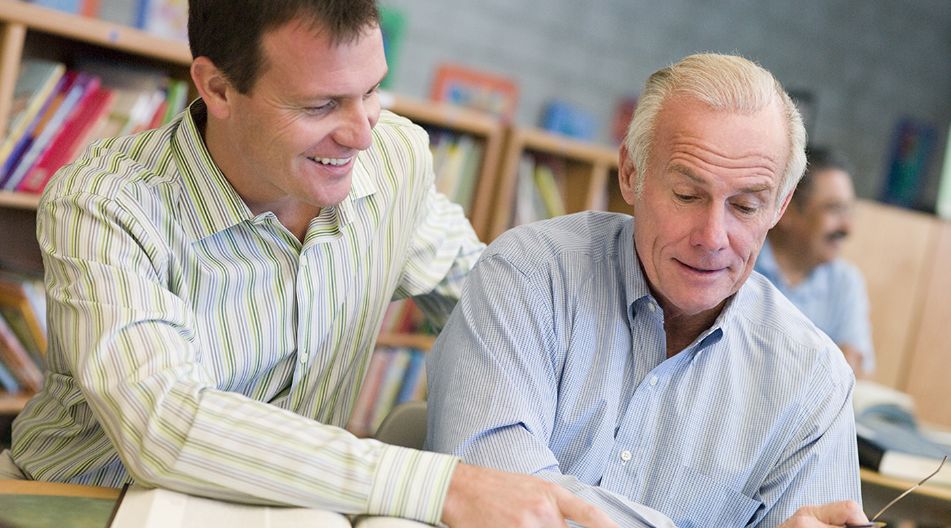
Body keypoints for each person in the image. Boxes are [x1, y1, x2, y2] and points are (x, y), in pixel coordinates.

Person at [3, 2, 618, 527]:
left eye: (373, 90)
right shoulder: (105, 202)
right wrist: (445, 487)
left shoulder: (394, 159)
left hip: (291, 511)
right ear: (216, 89)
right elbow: (164, 426)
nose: (361, 134)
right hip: (84, 504)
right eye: (321, 105)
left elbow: (496, 311)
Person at [427, 53, 870, 527]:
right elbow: (497, 493)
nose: (712, 237)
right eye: (687, 195)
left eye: (744, 206)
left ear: (779, 208)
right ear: (631, 174)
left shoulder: (814, 381)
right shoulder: (528, 276)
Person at [754, 146, 875, 376]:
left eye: (848, 211)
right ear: (786, 209)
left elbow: (849, 369)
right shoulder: (741, 264)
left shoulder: (845, 282)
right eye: (834, 209)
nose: (847, 228)